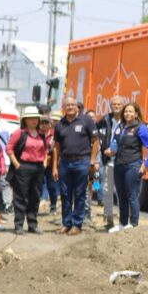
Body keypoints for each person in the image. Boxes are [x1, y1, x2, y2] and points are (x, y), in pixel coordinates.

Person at [51, 96, 100, 235]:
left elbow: (96, 141)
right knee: (65, 194)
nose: (70, 107)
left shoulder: (87, 120)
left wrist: (92, 160)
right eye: (68, 105)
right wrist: (55, 166)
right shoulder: (60, 124)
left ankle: (77, 225)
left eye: (73, 105)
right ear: (63, 108)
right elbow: (56, 146)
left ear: (77, 107)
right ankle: (66, 223)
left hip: (82, 161)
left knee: (79, 194)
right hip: (65, 163)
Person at [106, 102, 148, 232]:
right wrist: (111, 149)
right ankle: (123, 224)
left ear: (136, 114)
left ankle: (133, 225)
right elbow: (115, 141)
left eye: (130, 111)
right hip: (119, 165)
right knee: (121, 196)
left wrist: (146, 165)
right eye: (126, 111)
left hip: (133, 166)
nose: (127, 114)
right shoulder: (121, 126)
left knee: (132, 196)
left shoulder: (140, 128)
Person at [6, 106, 51, 235]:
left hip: (38, 169)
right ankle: (19, 225)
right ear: (25, 120)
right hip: (23, 167)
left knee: (35, 196)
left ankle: (33, 225)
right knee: (20, 197)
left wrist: (44, 162)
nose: (34, 121)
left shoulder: (41, 134)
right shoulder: (19, 133)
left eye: (36, 118)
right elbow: (9, 148)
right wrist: (17, 164)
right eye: (31, 118)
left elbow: (45, 150)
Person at [97, 96, 126, 228]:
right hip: (108, 160)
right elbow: (94, 133)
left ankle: (123, 220)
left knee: (122, 191)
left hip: (123, 161)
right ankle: (108, 219)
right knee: (107, 189)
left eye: (119, 104)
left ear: (123, 105)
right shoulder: (105, 120)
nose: (116, 106)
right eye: (114, 104)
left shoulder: (128, 120)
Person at [38, 104, 59, 213]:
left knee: (52, 185)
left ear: (50, 124)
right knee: (39, 184)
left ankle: (53, 205)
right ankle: (40, 201)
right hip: (39, 163)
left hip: (51, 164)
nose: (44, 125)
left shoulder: (54, 135)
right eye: (42, 122)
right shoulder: (38, 134)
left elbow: (56, 149)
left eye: (47, 122)